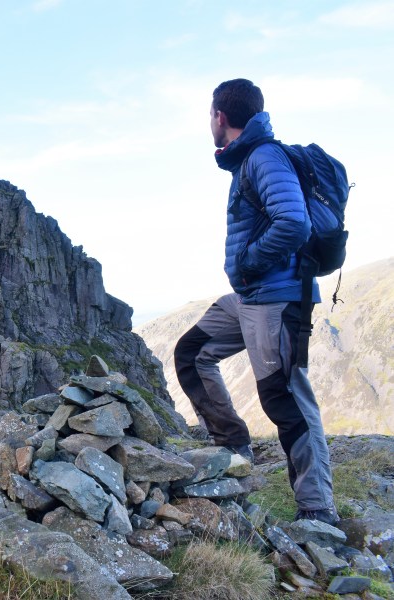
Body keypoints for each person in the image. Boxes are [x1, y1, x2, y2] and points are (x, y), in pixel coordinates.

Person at [174, 78, 338, 525]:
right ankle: (233, 446)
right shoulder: (247, 159)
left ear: (220, 117)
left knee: (285, 398)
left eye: (210, 115)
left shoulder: (263, 158)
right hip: (250, 298)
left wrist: (247, 262)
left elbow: (294, 223)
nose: (209, 122)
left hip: (276, 299)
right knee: (192, 353)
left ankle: (318, 509)